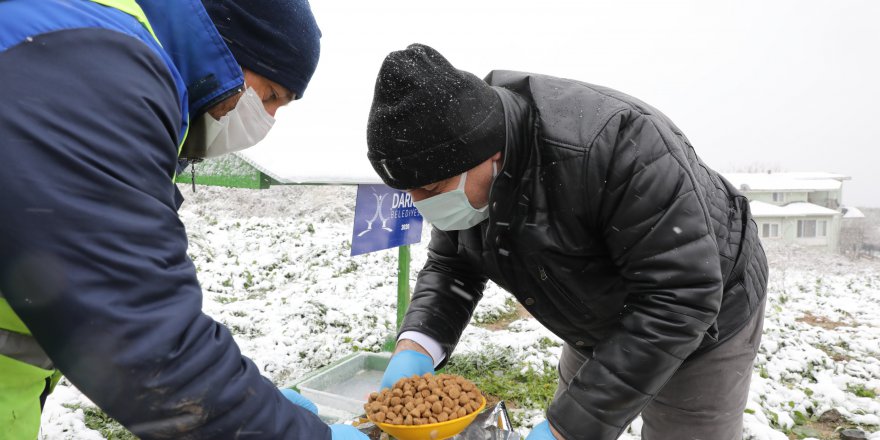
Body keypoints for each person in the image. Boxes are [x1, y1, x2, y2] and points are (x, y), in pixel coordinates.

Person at [0, 0, 365, 439]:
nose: (266, 119)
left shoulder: (89, 41)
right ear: (226, 47)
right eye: (269, 95)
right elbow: (150, 346)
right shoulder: (102, 71)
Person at [367, 44, 769, 440]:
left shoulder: (616, 145)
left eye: (431, 189)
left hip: (706, 306)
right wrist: (417, 345)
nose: (422, 205)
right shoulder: (464, 164)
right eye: (409, 193)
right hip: (591, 303)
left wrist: (567, 429)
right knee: (582, 409)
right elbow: (452, 265)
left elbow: (679, 296)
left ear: (489, 155)